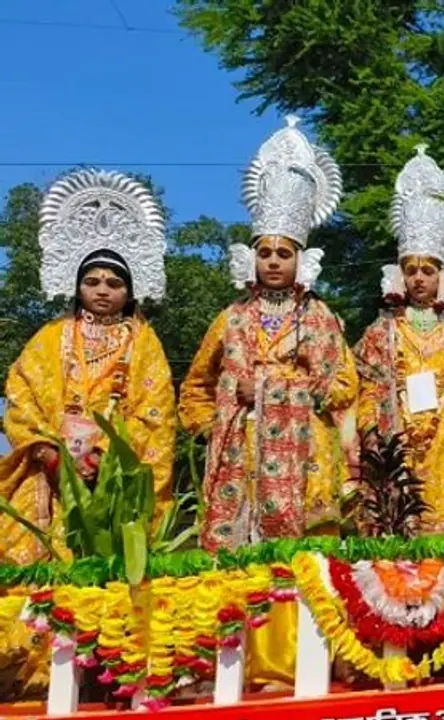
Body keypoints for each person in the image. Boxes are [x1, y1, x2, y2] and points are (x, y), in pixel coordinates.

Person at [179, 116, 358, 551]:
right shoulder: (231, 319)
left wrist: (265, 389)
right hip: (241, 460)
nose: (274, 261)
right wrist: (219, 428)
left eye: (283, 253)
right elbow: (195, 390)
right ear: (251, 258)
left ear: (301, 260)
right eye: (265, 253)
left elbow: (345, 386)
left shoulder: (320, 317)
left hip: (306, 458)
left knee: (307, 571)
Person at [0, 169, 175, 564]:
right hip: (51, 474)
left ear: (129, 291)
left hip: (114, 481)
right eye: (92, 281)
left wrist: (104, 456)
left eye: (114, 283)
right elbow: (21, 397)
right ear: (77, 285)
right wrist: (51, 453)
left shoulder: (143, 344)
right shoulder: (49, 338)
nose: (102, 290)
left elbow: (156, 414)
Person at [353, 145, 444, 535]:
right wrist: (373, 434)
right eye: (411, 269)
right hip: (397, 441)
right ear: (399, 275)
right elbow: (362, 385)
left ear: (442, 275)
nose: (418, 278)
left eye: (427, 270)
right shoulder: (381, 330)